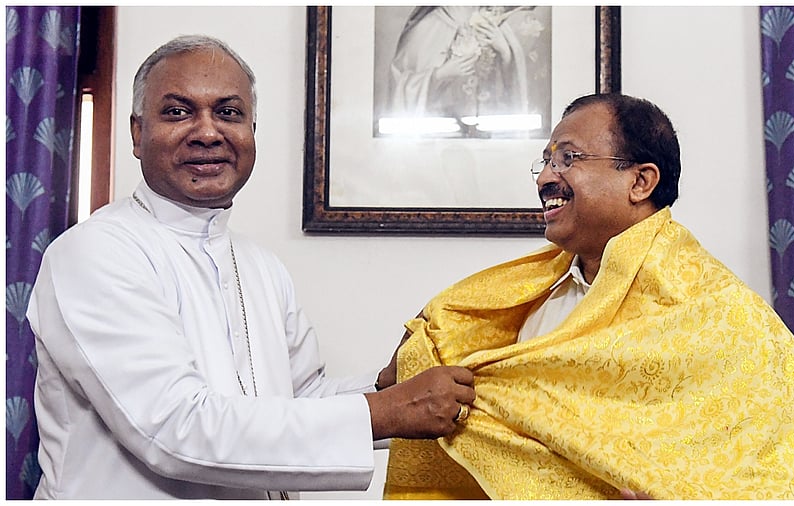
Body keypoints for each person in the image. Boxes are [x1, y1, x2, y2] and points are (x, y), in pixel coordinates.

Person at [24, 34, 475, 499]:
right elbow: (174, 430)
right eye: (178, 112)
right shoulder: (95, 252)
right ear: (138, 134)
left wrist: (386, 384)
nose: (207, 131)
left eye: (229, 113)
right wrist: (385, 411)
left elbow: (298, 401)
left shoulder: (261, 266)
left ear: (252, 132)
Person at [380, 93, 794, 499]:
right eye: (545, 160)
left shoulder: (719, 315)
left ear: (640, 181)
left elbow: (787, 478)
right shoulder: (518, 304)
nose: (545, 177)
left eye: (568, 158)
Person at [386, 6, 532, 121]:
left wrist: (505, 53)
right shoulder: (427, 26)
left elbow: (515, 102)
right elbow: (399, 93)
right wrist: (439, 75)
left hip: (488, 138)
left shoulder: (494, 24)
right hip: (439, 141)